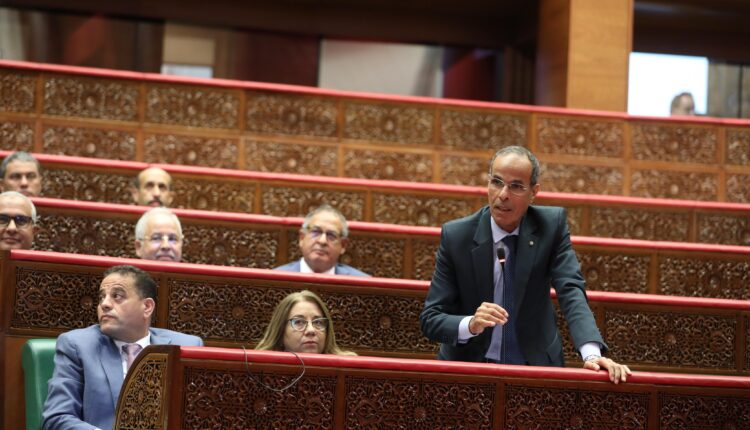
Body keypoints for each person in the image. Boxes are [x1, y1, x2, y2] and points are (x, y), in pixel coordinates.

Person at [420, 146, 631, 384]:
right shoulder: (457, 236)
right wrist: (471, 324)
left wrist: (592, 354)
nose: (503, 194)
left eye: (516, 186)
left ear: (534, 192)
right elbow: (431, 319)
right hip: (470, 367)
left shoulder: (550, 226)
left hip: (534, 365)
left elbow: (571, 290)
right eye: (497, 182)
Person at [42, 265, 203, 430]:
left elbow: (198, 417)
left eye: (117, 296)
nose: (104, 304)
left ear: (147, 307)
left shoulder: (186, 347)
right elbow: (57, 418)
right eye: (101, 297)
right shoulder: (78, 345)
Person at [274, 205, 369, 276]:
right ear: (302, 238)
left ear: (343, 245)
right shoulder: (277, 278)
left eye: (331, 235)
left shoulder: (362, 283)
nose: (322, 241)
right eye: (316, 232)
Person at [255, 290, 355, 355]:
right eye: (299, 322)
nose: (311, 330)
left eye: (318, 322)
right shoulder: (258, 368)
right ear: (281, 331)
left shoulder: (348, 367)